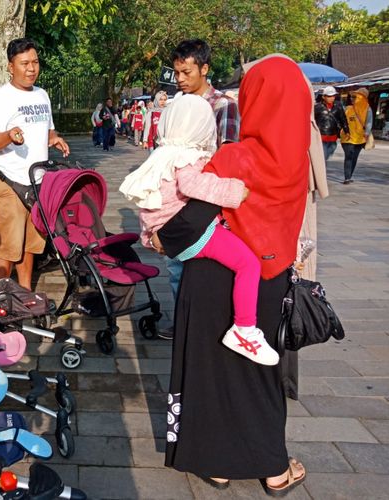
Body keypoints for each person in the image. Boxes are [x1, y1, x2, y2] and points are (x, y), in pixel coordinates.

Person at [155, 55, 309, 495]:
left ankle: (215, 464)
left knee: (209, 369)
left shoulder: (235, 156)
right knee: (261, 374)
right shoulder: (296, 164)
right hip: (267, 278)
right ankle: (274, 469)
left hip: (211, 277)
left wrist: (157, 233)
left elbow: (186, 221)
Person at [120, 94, 279, 365]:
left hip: (169, 233)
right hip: (194, 236)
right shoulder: (189, 156)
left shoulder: (164, 153)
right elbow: (193, 187)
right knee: (248, 264)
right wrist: (236, 191)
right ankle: (244, 329)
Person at [158, 39, 242, 340]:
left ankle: (206, 328)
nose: (180, 79)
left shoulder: (223, 105)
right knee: (176, 269)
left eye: (186, 72)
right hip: (175, 202)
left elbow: (227, 157)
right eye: (177, 72)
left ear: (204, 69)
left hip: (205, 202)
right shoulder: (177, 104)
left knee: (207, 269)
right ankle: (183, 324)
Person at [0, 38, 70, 291]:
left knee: (31, 245)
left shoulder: (42, 95)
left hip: (38, 182)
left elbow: (48, 131)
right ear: (10, 66)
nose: (31, 68)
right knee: (8, 248)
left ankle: (26, 295)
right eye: (24, 63)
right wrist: (9, 136)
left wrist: (55, 140)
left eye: (35, 62)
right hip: (9, 183)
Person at [340, 87, 373, 184]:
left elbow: (369, 122)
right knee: (349, 156)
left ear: (361, 97)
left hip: (360, 138)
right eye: (352, 97)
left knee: (354, 158)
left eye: (354, 97)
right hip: (347, 137)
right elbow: (341, 120)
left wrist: (367, 133)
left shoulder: (368, 109)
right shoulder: (348, 108)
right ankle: (347, 178)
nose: (351, 98)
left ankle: (349, 176)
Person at [314, 86, 347, 161]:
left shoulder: (338, 106)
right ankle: (320, 172)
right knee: (323, 159)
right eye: (329, 96)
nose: (332, 98)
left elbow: (343, 119)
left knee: (326, 157)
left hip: (333, 138)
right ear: (323, 97)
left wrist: (347, 131)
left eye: (333, 96)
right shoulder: (317, 107)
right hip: (321, 138)